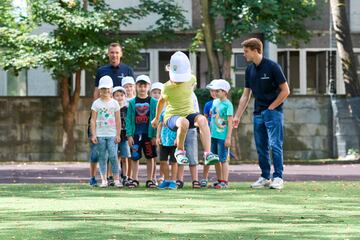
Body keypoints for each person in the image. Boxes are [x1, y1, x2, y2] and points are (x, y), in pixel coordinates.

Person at [233, 38, 290, 190]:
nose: (244, 55)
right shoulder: (249, 70)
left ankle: (278, 177)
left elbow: (286, 91)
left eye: (246, 51)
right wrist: (237, 115)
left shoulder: (272, 67)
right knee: (261, 146)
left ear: (255, 50)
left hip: (273, 112)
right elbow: (246, 95)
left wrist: (271, 107)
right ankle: (265, 177)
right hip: (258, 113)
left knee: (275, 145)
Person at [151, 51, 219, 168]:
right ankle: (180, 151)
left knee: (202, 120)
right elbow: (161, 102)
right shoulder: (167, 87)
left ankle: (207, 154)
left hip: (189, 113)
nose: (179, 81)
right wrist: (156, 118)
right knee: (184, 122)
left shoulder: (191, 79)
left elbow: (190, 88)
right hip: (172, 117)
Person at [91, 43, 134, 186]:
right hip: (104, 116)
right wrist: (94, 113)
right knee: (104, 153)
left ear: (120, 54)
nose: (114, 55)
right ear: (108, 54)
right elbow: (96, 92)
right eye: (112, 53)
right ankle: (107, 178)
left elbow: (131, 91)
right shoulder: (101, 70)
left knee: (122, 152)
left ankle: (123, 178)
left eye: (117, 52)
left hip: (122, 113)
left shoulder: (127, 69)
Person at [126, 75, 158, 188]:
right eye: (140, 85)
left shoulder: (154, 102)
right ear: (136, 87)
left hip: (149, 134)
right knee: (135, 156)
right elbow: (128, 119)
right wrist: (129, 135)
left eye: (145, 86)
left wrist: (154, 135)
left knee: (150, 156)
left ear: (148, 87)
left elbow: (156, 118)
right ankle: (135, 179)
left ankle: (150, 179)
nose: (142, 88)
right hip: (136, 135)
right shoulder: (132, 102)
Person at [90, 76, 122, 188]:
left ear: (111, 89)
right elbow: (93, 120)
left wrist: (118, 134)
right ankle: (104, 180)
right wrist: (94, 134)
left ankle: (116, 179)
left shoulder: (115, 103)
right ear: (99, 90)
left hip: (112, 134)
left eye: (108, 88)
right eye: (103, 89)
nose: (106, 91)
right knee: (102, 157)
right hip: (100, 135)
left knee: (113, 156)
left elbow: (118, 120)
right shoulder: (96, 104)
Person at [209, 79, 234, 189]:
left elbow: (230, 121)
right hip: (213, 135)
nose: (215, 93)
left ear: (224, 92)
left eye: (218, 91)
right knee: (215, 159)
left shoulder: (228, 105)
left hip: (222, 136)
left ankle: (225, 181)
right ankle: (219, 180)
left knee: (223, 159)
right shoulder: (215, 102)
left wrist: (228, 137)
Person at [200, 79, 218, 187]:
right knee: (208, 155)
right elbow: (205, 120)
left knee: (220, 157)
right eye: (212, 91)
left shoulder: (225, 103)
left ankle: (222, 179)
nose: (214, 93)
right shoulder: (208, 104)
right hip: (210, 135)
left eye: (216, 91)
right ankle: (204, 178)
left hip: (220, 134)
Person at [112, 86, 131, 186]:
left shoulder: (127, 109)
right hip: (113, 135)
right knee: (113, 157)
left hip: (124, 135)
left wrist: (130, 134)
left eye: (121, 95)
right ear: (113, 97)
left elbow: (130, 122)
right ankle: (113, 177)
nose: (119, 97)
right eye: (117, 96)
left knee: (124, 157)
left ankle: (125, 177)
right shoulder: (111, 109)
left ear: (125, 96)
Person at [156, 110, 178, 190]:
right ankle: (167, 180)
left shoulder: (177, 111)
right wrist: (158, 137)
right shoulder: (163, 112)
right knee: (163, 161)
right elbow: (160, 124)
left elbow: (180, 127)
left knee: (173, 161)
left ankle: (173, 181)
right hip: (164, 140)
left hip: (174, 141)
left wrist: (177, 138)